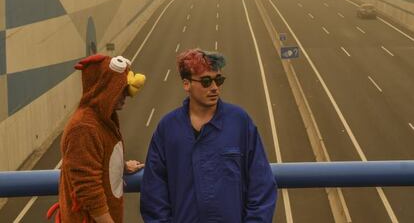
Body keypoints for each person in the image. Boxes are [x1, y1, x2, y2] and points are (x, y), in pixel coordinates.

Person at [140, 49, 277, 222]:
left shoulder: (240, 123)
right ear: (186, 84)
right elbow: (153, 195)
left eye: (218, 80)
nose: (214, 88)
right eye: (206, 81)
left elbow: (261, 185)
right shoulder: (168, 129)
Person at [47, 54, 146, 223]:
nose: (126, 95)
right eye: (121, 89)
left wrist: (119, 166)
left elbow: (97, 157)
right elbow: (88, 188)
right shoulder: (84, 127)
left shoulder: (102, 119)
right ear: (106, 90)